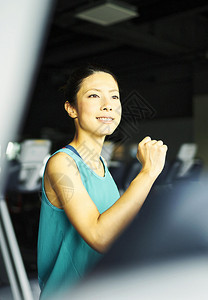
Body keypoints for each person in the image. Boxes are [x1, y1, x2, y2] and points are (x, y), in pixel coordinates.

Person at [37, 64, 168, 299]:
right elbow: (99, 237)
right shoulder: (61, 164)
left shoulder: (102, 167)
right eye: (94, 95)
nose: (107, 104)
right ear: (71, 108)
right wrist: (148, 172)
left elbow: (118, 230)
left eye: (114, 96)